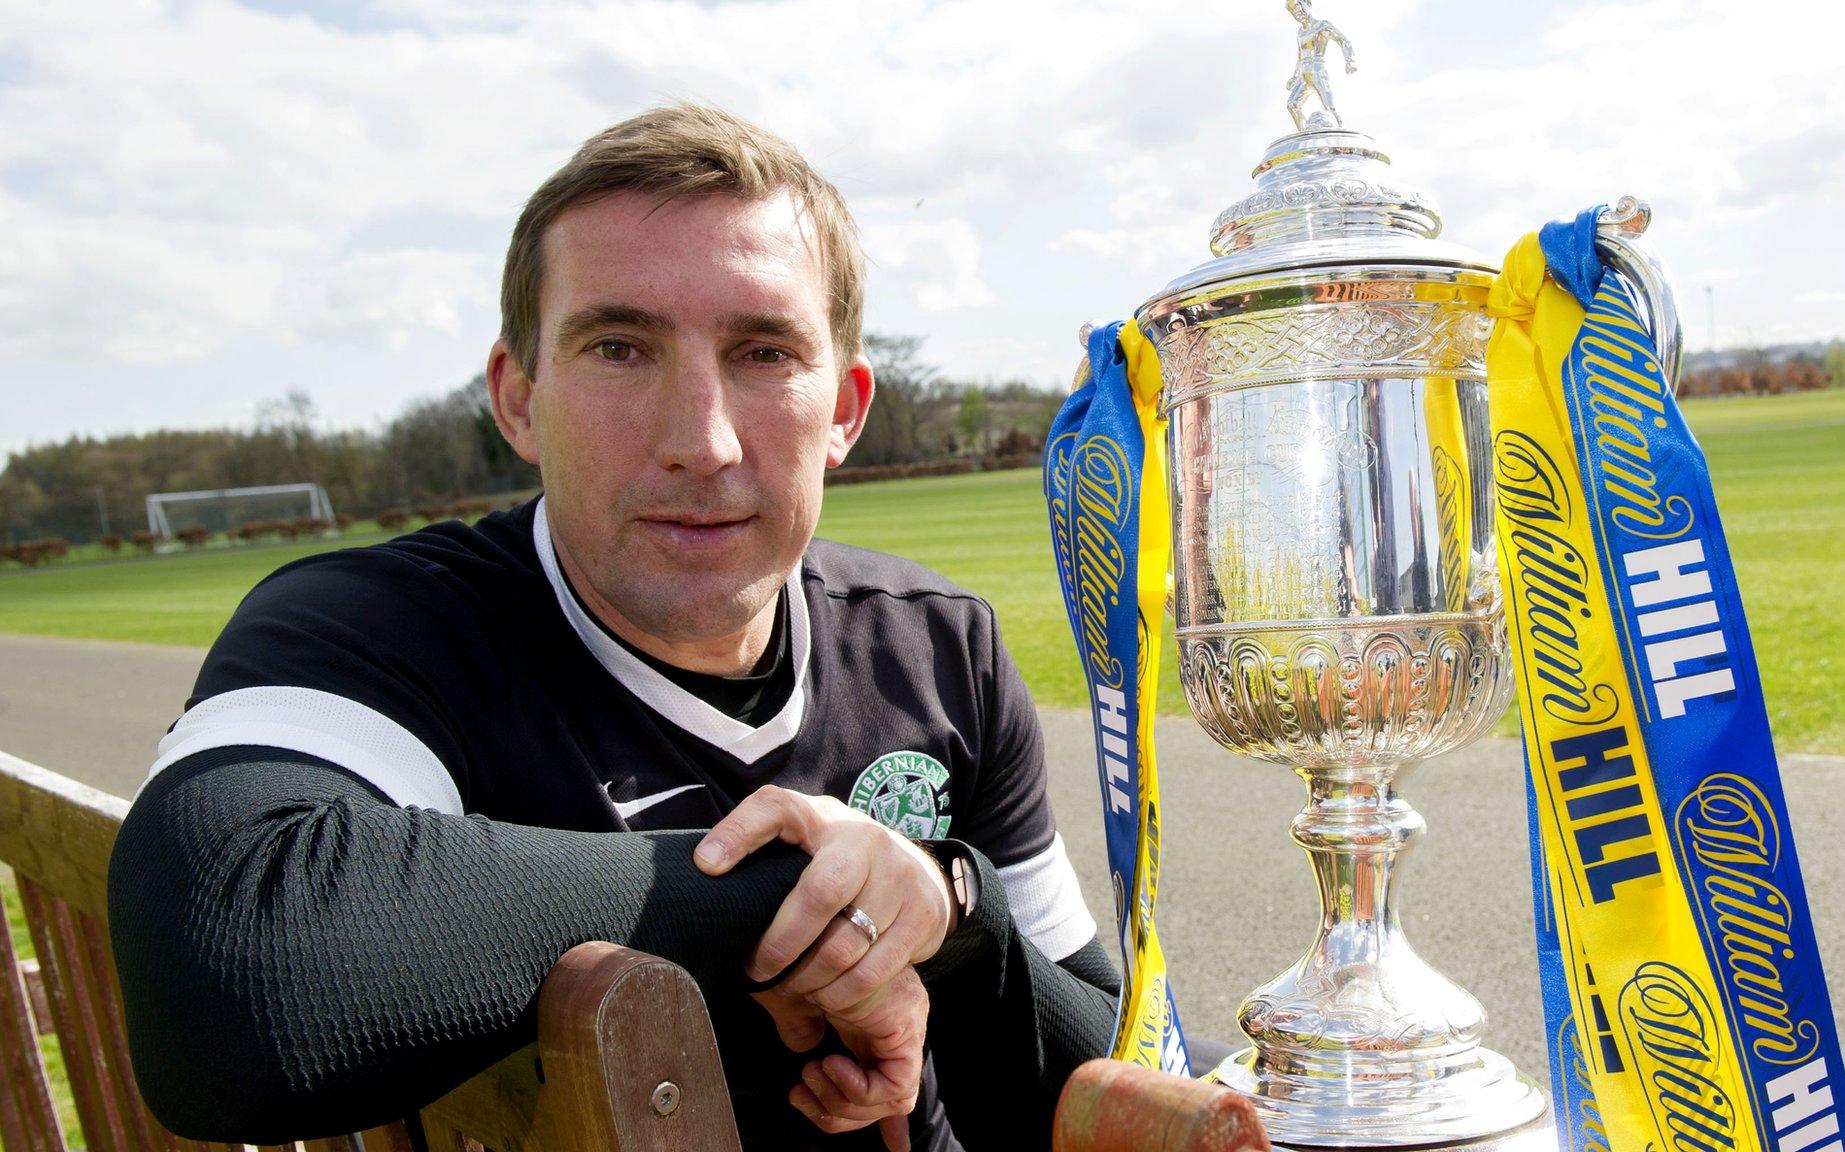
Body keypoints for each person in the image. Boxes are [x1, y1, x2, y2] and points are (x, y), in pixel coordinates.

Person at [105, 103, 1118, 1152]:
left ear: (845, 412)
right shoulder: (382, 628)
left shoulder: (937, 647)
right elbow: (223, 963)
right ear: (516, 396)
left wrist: (949, 910)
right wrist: (814, 895)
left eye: (764, 351)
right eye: (620, 346)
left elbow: (1103, 1057)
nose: (702, 440)